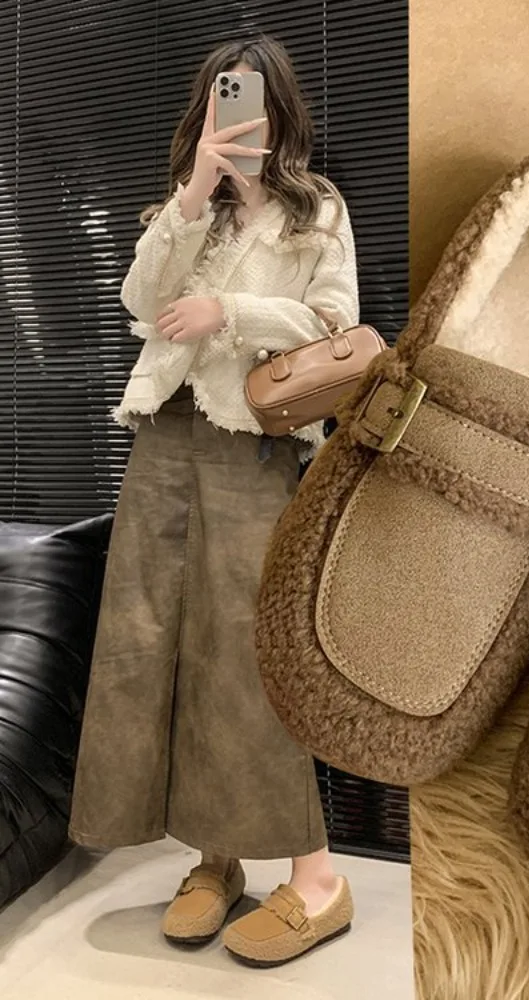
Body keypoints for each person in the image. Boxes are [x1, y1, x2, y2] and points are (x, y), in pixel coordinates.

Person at [69, 35, 359, 966]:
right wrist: (194, 194)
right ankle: (215, 855)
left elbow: (337, 327)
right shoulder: (187, 209)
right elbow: (139, 299)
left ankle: (319, 878)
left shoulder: (315, 209)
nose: (237, 120)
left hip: (251, 448)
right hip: (163, 442)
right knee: (151, 642)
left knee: (243, 651)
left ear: (279, 113)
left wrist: (229, 314)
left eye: (252, 104)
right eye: (222, 102)